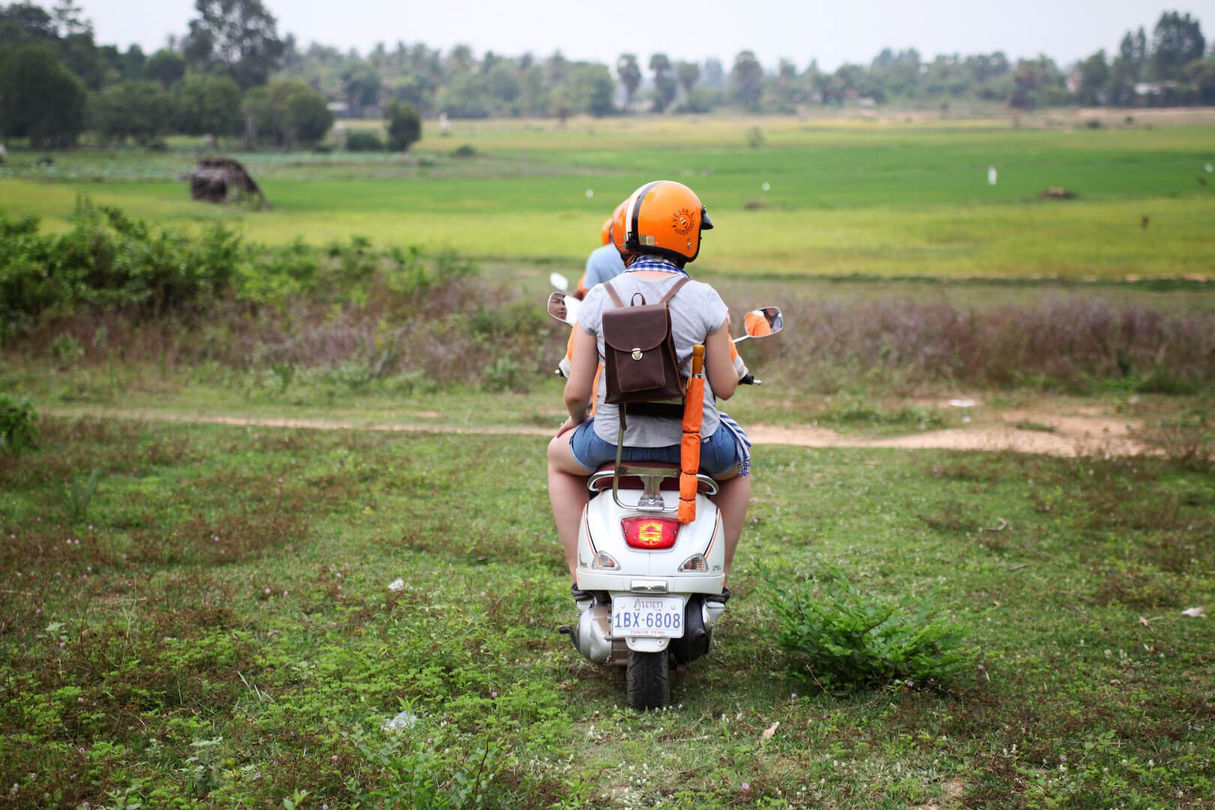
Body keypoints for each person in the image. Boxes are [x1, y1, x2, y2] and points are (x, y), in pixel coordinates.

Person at [547, 180, 750, 595]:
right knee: (741, 466)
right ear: (687, 236)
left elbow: (575, 392)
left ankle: (577, 571)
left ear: (629, 236)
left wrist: (576, 421)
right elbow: (726, 388)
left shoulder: (600, 297)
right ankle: (721, 576)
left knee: (555, 458)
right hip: (696, 446)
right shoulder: (705, 298)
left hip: (610, 442)